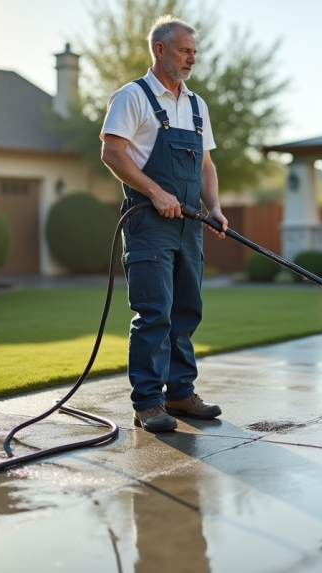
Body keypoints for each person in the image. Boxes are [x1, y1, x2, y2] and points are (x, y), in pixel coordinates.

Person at [100, 15, 228, 432]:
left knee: (187, 311)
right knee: (154, 312)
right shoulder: (132, 97)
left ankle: (180, 393)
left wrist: (216, 208)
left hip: (190, 226)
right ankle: (149, 403)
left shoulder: (197, 105)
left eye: (194, 51)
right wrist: (156, 192)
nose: (193, 58)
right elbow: (113, 154)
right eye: (185, 51)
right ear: (160, 50)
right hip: (148, 223)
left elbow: (206, 165)